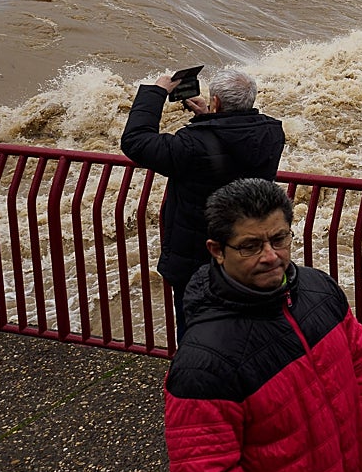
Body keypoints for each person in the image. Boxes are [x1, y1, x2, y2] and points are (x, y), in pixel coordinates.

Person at [164, 177, 362, 472]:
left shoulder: (319, 290)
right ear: (216, 251)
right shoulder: (203, 364)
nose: (271, 256)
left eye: (279, 238)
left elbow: (359, 360)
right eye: (250, 246)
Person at [120, 67, 284, 337]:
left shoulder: (192, 144)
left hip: (199, 256)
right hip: (249, 248)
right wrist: (211, 118)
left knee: (197, 330)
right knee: (244, 326)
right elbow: (236, 141)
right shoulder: (271, 133)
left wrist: (157, 92)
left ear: (216, 101)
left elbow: (136, 141)